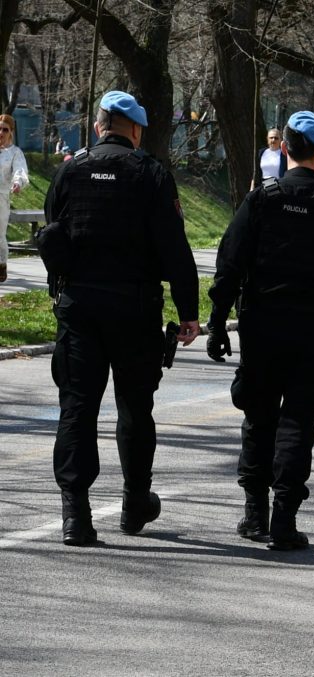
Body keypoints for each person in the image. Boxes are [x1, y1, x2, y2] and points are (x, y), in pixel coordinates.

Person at [206, 111, 314, 551]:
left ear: (284, 149)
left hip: (262, 325)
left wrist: (218, 321)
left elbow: (230, 263)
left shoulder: (262, 199)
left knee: (258, 418)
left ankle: (254, 513)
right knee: (298, 421)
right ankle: (284, 518)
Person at [41, 91, 200, 546]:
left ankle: (76, 515)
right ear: (135, 130)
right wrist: (188, 313)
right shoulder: (150, 174)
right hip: (135, 310)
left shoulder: (70, 170)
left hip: (79, 308)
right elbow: (174, 248)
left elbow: (54, 232)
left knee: (77, 408)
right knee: (135, 409)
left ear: (99, 127)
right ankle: (133, 505)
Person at [0, 114, 29, 283]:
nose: (1, 132)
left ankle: (2, 264)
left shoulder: (14, 153)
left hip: (1, 198)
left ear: (11, 132)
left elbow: (20, 170)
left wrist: (17, 183)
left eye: (5, 129)